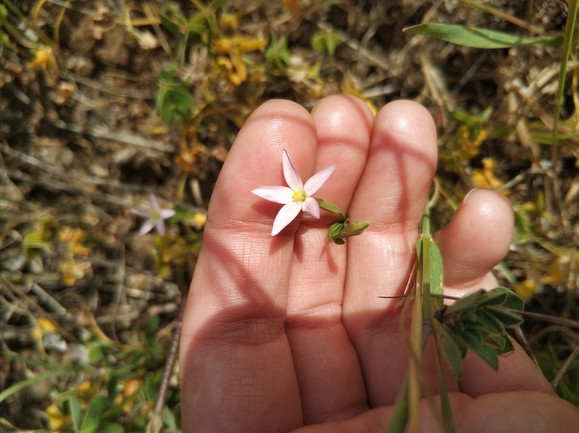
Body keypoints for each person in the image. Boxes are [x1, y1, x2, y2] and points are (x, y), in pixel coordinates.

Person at [179, 95, 579, 432]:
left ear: (306, 194)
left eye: (300, 194)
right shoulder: (302, 201)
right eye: (298, 195)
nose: (298, 197)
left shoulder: (311, 199)